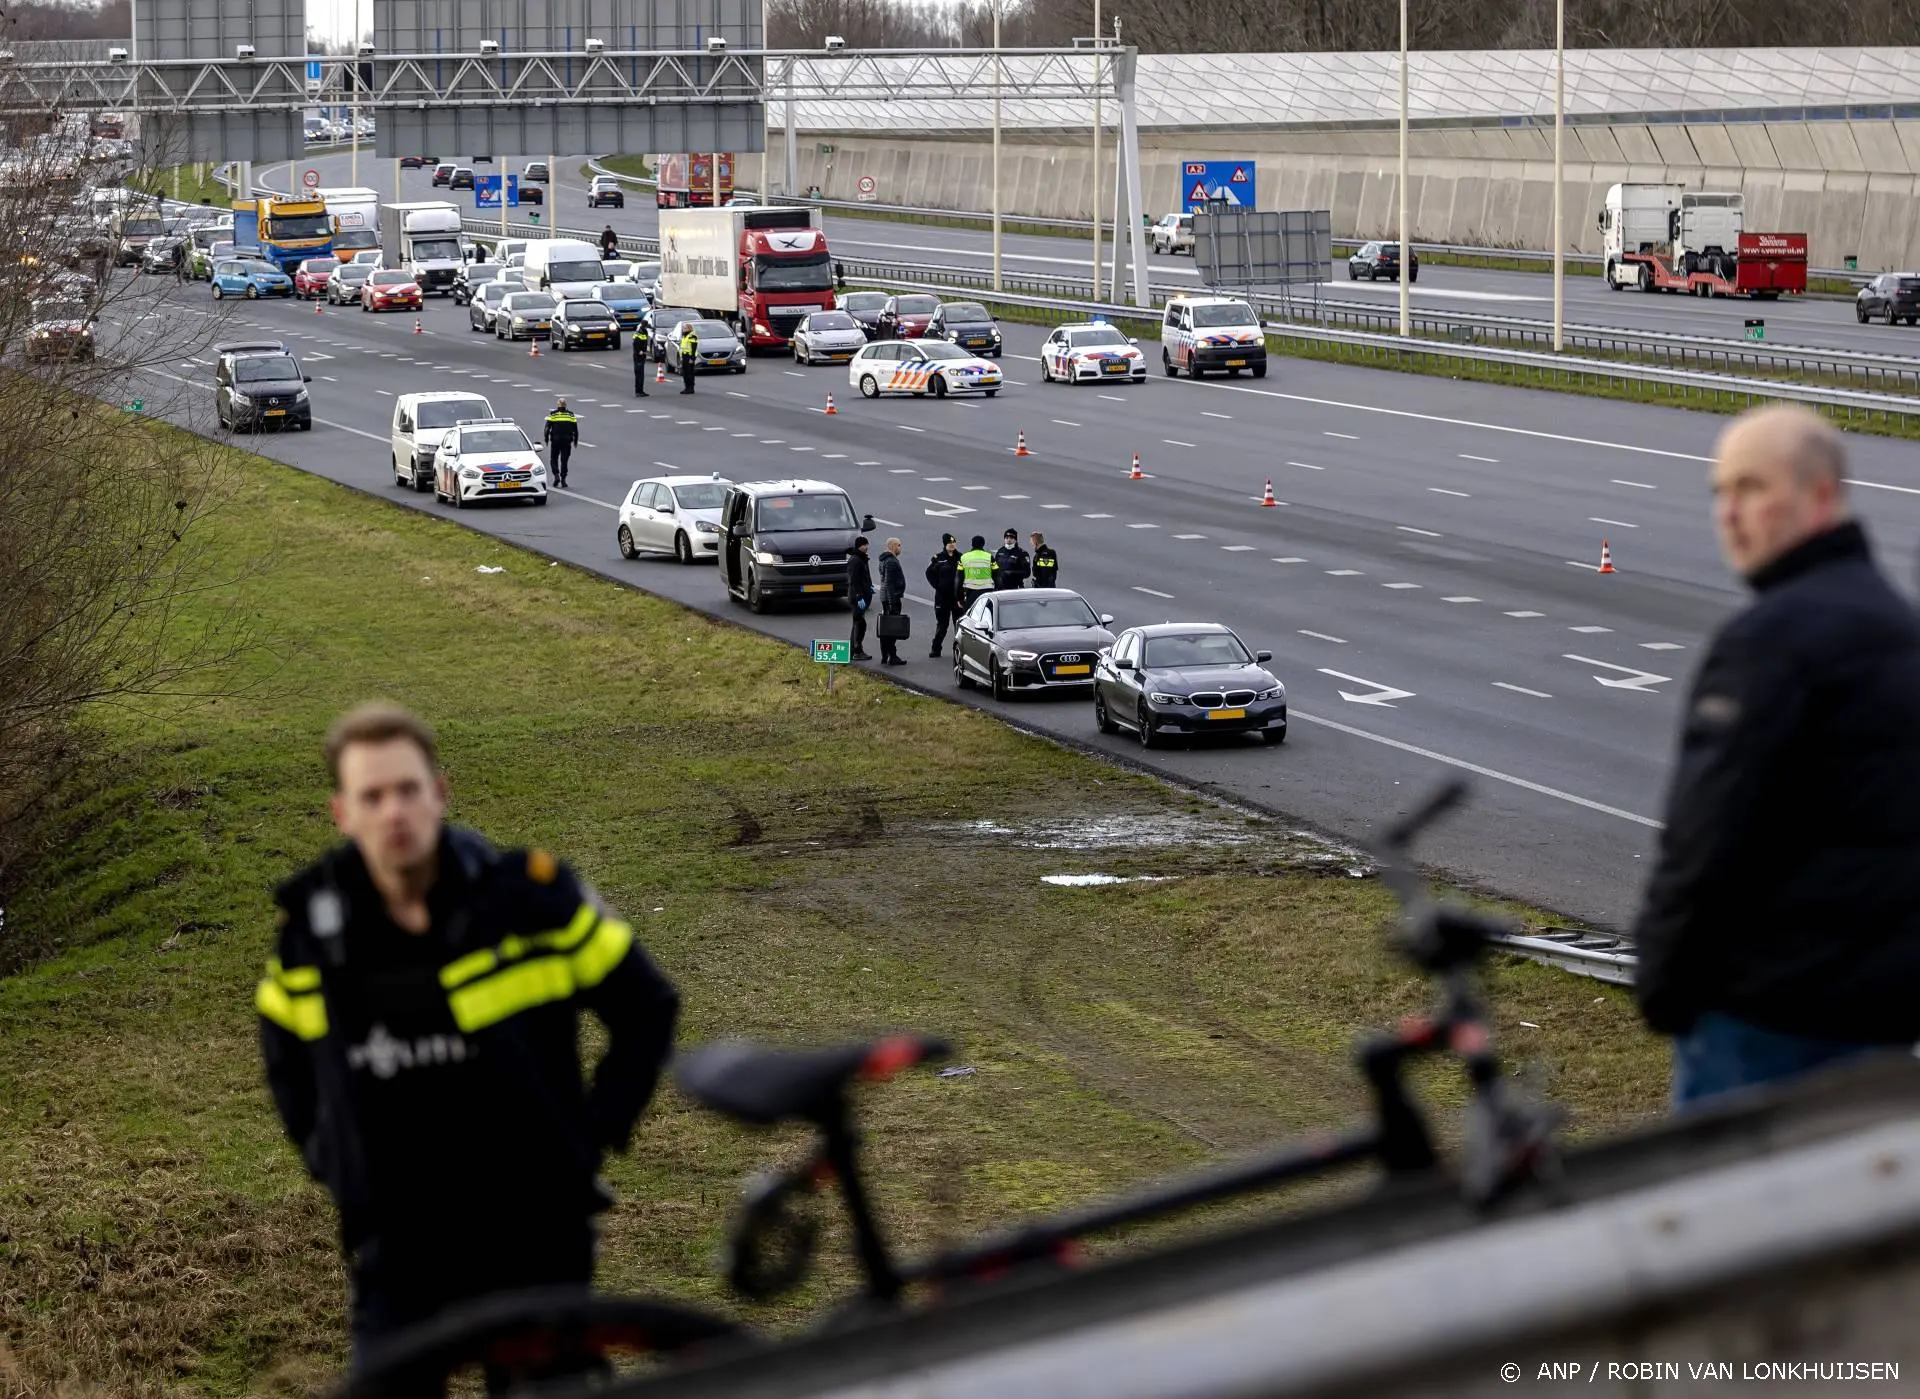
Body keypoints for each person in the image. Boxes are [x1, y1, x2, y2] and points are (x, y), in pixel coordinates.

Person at [256, 703, 679, 1384]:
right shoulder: (312, 935)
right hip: (399, 1247)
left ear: (439, 793)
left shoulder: (532, 902)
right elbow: (286, 1061)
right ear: (343, 812)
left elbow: (647, 1006)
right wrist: (335, 1163)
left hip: (536, 1236)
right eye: (373, 795)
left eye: (407, 789)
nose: (394, 810)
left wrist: (592, 1133)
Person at [1633, 404, 1920, 1110]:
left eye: (1752, 488)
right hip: (1880, 1021)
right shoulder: (1899, 627)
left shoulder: (1769, 642)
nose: (1729, 513)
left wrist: (1661, 982)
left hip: (1762, 1021)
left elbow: (1703, 839)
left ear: (1820, 496)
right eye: (1720, 493)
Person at [926, 534, 961, 658]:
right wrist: (938, 586)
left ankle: (960, 650)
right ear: (945, 545)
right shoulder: (938, 558)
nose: (951, 545)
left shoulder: (960, 557)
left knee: (959, 625)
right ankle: (936, 648)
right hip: (942, 598)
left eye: (953, 543)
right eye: (949, 543)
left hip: (957, 598)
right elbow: (929, 573)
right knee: (942, 625)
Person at [876, 537, 907, 666]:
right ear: (893, 546)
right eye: (899, 545)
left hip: (886, 598)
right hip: (891, 599)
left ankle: (885, 655)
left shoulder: (883, 560)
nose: (900, 548)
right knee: (892, 628)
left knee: (885, 627)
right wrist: (892, 601)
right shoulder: (891, 562)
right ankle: (892, 656)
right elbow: (889, 583)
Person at [847, 536, 874, 661]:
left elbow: (865, 577)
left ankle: (855, 649)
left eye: (867, 544)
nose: (866, 547)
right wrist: (858, 596)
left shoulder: (862, 559)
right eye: (864, 545)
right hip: (857, 597)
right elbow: (854, 580)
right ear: (859, 546)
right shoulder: (855, 560)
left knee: (859, 623)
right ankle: (856, 650)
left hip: (863, 594)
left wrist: (870, 586)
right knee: (859, 623)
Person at [542, 398, 578, 488]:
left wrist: (546, 439)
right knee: (564, 460)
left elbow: (547, 428)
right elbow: (575, 430)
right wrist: (575, 441)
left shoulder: (553, 415)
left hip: (555, 441)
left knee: (554, 459)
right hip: (567, 441)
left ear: (558, 405)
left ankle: (556, 475)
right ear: (565, 405)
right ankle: (563, 479)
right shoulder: (570, 415)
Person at [957, 535, 995, 612]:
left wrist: (959, 598)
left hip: (970, 593)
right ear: (983, 544)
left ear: (972, 544)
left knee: (970, 618)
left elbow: (959, 579)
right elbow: (997, 577)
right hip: (986, 593)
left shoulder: (964, 557)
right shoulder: (989, 557)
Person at [630, 316, 651, 397]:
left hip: (640, 355)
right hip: (638, 356)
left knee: (640, 374)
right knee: (639, 374)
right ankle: (639, 391)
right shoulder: (640, 332)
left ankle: (640, 391)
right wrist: (640, 351)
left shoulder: (642, 331)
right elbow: (636, 344)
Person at [677, 323, 698, 395]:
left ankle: (690, 388)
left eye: (685, 328)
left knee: (690, 373)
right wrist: (681, 357)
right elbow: (682, 347)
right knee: (685, 373)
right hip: (684, 356)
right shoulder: (684, 336)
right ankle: (686, 387)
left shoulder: (692, 336)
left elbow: (694, 348)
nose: (684, 329)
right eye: (683, 328)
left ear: (689, 329)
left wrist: (692, 358)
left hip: (689, 357)